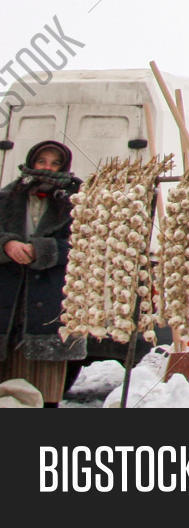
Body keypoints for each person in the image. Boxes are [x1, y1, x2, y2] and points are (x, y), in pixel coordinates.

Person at [0, 140, 85, 407]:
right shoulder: (7, 197)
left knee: (45, 389)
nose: (47, 167)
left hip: (51, 301)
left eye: (54, 162)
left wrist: (42, 249)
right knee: (7, 386)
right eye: (42, 161)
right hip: (9, 301)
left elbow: (84, 245)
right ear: (31, 161)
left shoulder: (78, 202)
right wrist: (7, 244)